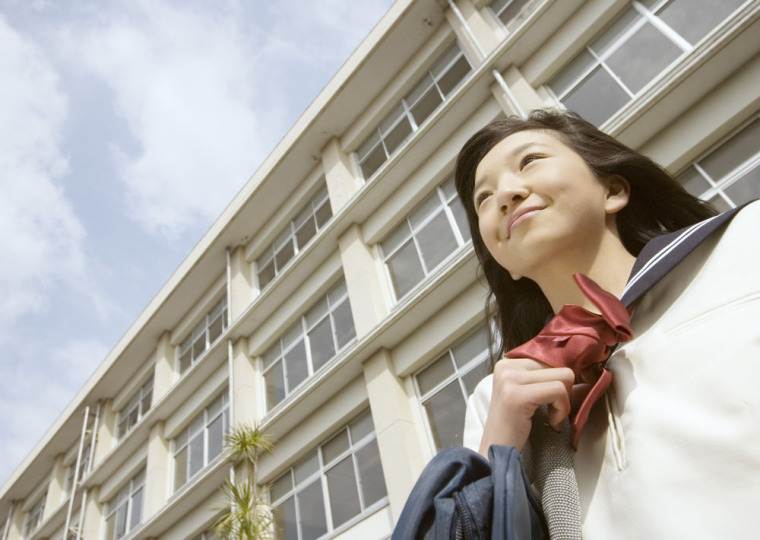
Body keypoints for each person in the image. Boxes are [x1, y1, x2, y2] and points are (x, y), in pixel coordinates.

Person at [455, 109, 760, 538]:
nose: (505, 193)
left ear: (613, 190)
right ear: (505, 263)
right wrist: (498, 453)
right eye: (483, 199)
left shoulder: (746, 245)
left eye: (530, 161)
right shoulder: (495, 398)